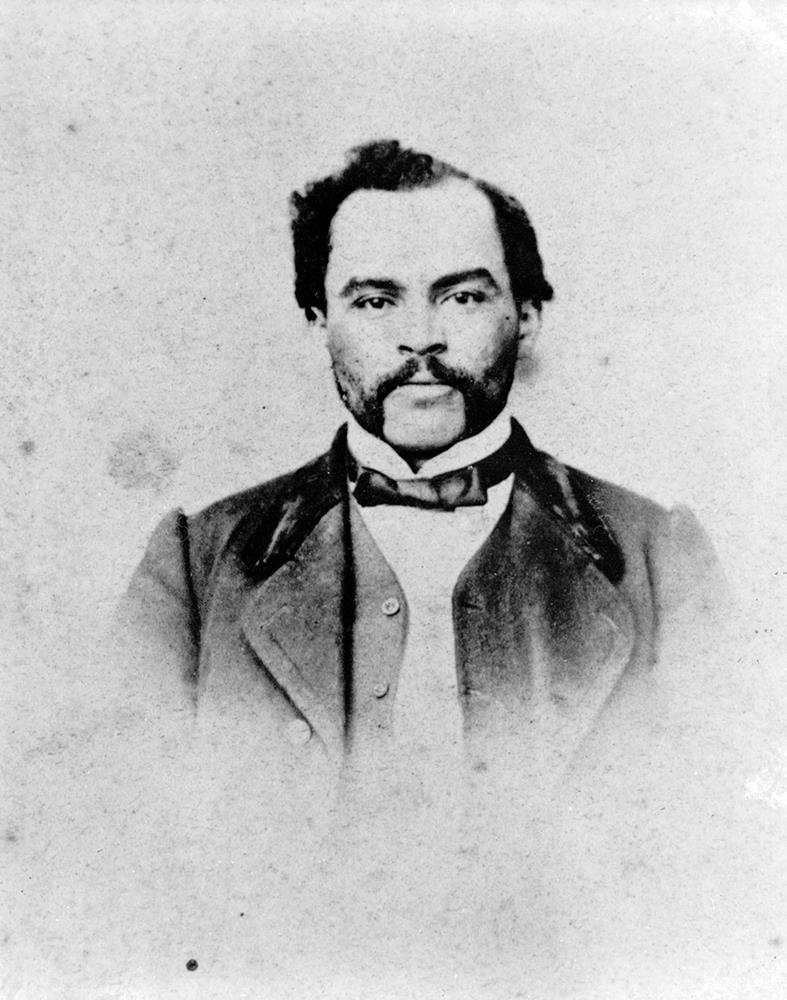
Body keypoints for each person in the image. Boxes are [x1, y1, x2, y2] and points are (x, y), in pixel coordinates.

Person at [118, 138, 732, 818]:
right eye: (376, 302)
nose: (421, 337)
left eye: (463, 296)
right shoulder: (194, 568)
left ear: (525, 316)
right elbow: (129, 842)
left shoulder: (659, 560)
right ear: (318, 320)